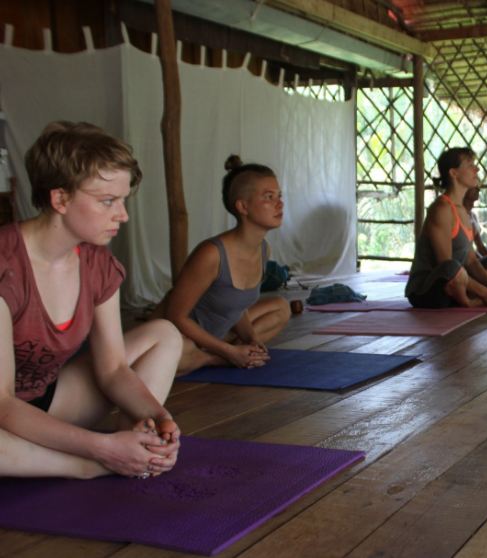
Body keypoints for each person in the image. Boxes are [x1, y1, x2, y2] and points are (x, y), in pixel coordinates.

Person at [0, 121, 182, 479]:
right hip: (4, 413)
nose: (123, 215)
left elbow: (113, 369)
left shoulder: (99, 264)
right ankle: (87, 466)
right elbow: (2, 404)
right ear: (60, 199)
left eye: (123, 200)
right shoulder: (6, 267)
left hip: (50, 402)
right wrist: (97, 447)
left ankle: (137, 446)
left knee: (164, 333)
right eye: (108, 201)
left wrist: (158, 417)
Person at [159, 156, 291, 374]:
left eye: (279, 196)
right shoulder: (211, 254)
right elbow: (176, 316)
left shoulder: (263, 249)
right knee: (175, 351)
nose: (280, 204)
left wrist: (252, 339)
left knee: (280, 308)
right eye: (269, 197)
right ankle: (212, 358)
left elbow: (235, 304)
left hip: (217, 333)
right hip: (179, 337)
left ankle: (226, 351)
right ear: (242, 206)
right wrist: (228, 352)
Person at [405, 147, 487, 308]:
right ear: (454, 173)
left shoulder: (463, 212)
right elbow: (445, 265)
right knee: (453, 267)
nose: (476, 168)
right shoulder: (442, 209)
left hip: (457, 281)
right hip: (426, 290)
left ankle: (467, 294)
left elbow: (471, 260)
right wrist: (486, 292)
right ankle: (469, 301)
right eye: (470, 165)